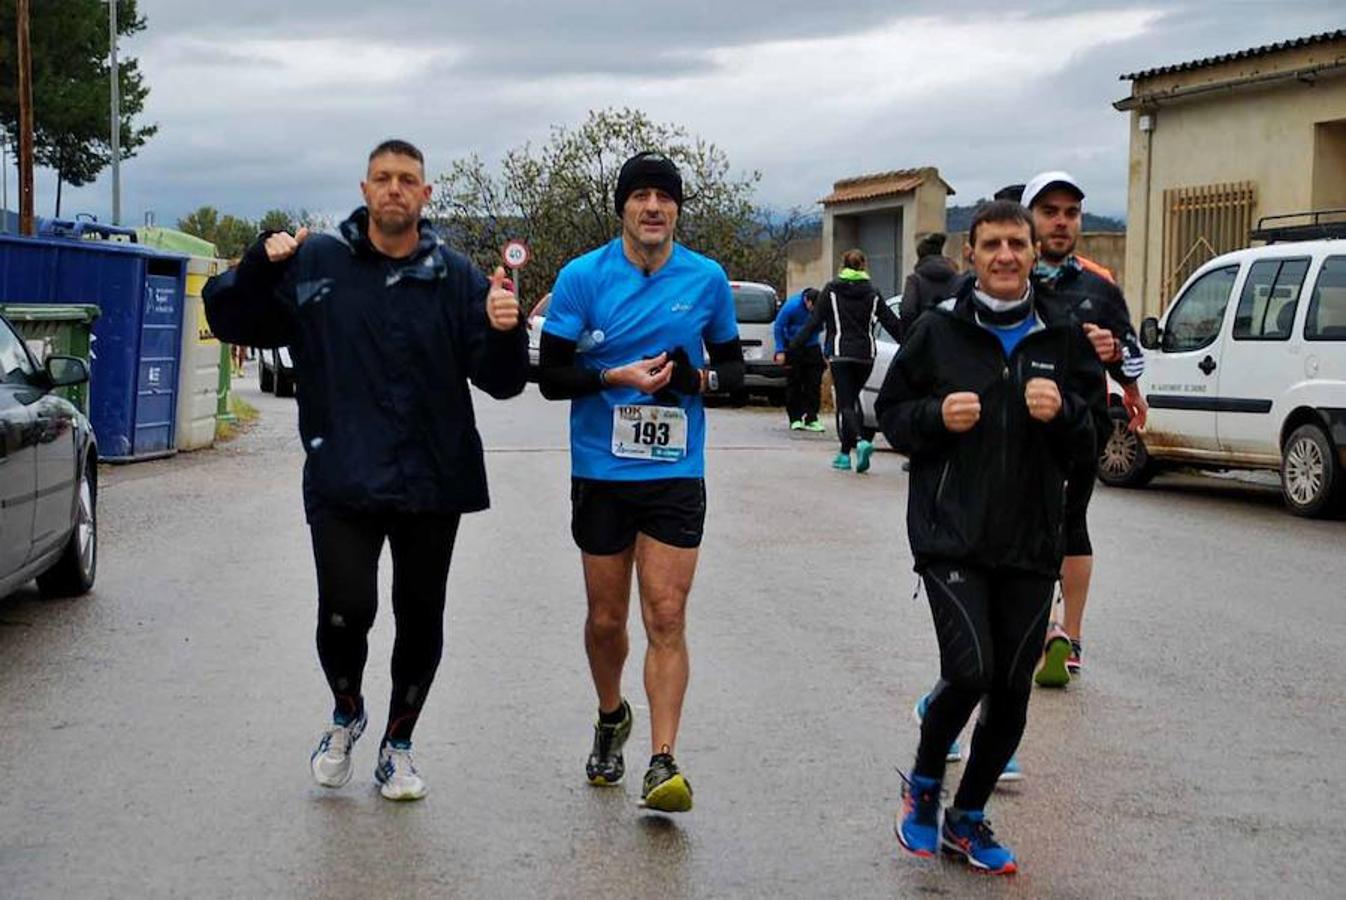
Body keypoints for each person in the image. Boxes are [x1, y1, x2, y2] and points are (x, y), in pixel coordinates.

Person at [203, 139, 527, 802]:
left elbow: (501, 381)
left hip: (432, 478)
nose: (394, 189)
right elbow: (232, 317)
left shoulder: (456, 277)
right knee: (346, 610)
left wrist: (504, 330)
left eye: (407, 179)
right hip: (342, 474)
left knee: (420, 617)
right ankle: (347, 712)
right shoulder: (319, 264)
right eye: (383, 177)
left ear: (425, 195)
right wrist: (260, 263)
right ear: (364, 189)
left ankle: (398, 746)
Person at [878, 200, 1100, 874]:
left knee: (1011, 689)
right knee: (970, 669)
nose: (1006, 255)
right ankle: (924, 785)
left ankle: (967, 818)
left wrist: (1065, 413)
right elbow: (892, 414)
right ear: (970, 255)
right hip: (951, 536)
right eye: (992, 244)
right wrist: (935, 416)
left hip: (1031, 541)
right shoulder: (937, 333)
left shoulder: (1063, 338)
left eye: (1017, 244)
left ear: (1034, 254)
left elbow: (1095, 439)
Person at [536, 151, 744, 813]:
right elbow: (550, 379)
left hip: (675, 472)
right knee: (606, 620)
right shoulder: (582, 277)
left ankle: (663, 760)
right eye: (641, 196)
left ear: (677, 208)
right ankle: (610, 716)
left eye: (665, 197)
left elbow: (734, 376)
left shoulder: (706, 279)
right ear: (622, 206)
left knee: (666, 614)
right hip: (601, 471)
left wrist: (693, 380)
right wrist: (613, 376)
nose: (653, 207)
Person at [1022, 170, 1147, 686]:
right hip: (1020, 423)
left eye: (1071, 213)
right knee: (1024, 523)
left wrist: (1115, 353)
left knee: (1071, 521)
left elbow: (1134, 357)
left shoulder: (1099, 286)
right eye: (1049, 212)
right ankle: (1038, 627)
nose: (1061, 222)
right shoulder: (1010, 278)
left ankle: (1067, 636)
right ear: (1030, 217)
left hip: (1082, 424)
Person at [790, 248, 901, 473]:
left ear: (843, 265)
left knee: (846, 404)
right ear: (864, 266)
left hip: (841, 353)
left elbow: (814, 322)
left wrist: (793, 347)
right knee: (851, 402)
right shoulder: (873, 292)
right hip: (867, 356)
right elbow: (891, 322)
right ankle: (843, 455)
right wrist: (910, 342)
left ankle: (860, 441)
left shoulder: (831, 290)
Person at [772, 287, 825, 431]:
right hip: (794, 346)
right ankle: (795, 418)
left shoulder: (820, 308)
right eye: (812, 306)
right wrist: (780, 350)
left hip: (812, 346)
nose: (813, 310)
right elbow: (779, 327)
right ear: (807, 301)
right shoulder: (792, 306)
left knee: (814, 383)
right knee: (795, 383)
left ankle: (811, 417)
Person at [898, 233, 959, 340]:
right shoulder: (957, 279)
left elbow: (907, 311)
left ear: (920, 257)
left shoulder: (915, 280)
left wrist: (911, 336)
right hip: (953, 341)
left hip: (924, 341)